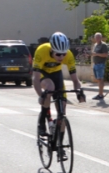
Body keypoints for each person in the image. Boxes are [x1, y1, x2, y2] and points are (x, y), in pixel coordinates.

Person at [33, 32, 86, 160]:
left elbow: (75, 80)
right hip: (44, 75)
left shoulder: (69, 55)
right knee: (49, 88)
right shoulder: (42, 51)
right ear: (51, 49)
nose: (62, 57)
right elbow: (35, 78)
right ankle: (43, 121)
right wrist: (41, 96)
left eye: (64, 54)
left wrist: (79, 91)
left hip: (57, 75)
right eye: (58, 54)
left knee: (62, 109)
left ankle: (60, 147)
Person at [89, 32, 109, 100]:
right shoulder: (95, 45)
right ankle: (100, 94)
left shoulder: (103, 45)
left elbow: (105, 54)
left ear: (101, 38)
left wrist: (96, 54)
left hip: (100, 64)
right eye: (96, 37)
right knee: (98, 79)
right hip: (95, 64)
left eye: (98, 37)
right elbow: (94, 54)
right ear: (94, 38)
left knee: (100, 79)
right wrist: (91, 54)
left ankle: (100, 95)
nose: (97, 38)